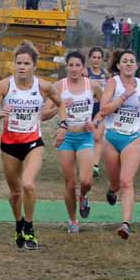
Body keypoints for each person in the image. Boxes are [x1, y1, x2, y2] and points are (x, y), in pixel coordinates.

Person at [0, 42, 62, 249]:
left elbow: (60, 102)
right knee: (16, 192)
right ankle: (19, 223)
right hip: (9, 145)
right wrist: (2, 113)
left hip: (33, 143)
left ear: (34, 66)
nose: (21, 67)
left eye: (26, 63)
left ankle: (29, 227)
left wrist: (60, 123)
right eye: (18, 62)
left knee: (28, 184)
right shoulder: (3, 86)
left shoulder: (44, 86)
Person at [96, 49, 140, 240]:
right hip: (112, 137)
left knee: (127, 182)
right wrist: (124, 96)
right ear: (118, 65)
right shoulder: (112, 83)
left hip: (133, 137)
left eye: (132, 61)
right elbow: (104, 109)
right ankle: (111, 188)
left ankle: (125, 224)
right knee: (116, 182)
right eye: (125, 61)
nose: (129, 64)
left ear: (136, 65)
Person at [55, 51, 102, 233]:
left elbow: (104, 107)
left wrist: (95, 121)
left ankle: (83, 196)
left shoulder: (93, 85)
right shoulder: (59, 86)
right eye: (71, 65)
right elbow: (44, 113)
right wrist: (60, 106)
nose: (74, 69)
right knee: (70, 183)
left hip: (84, 137)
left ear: (83, 67)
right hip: (66, 138)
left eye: (78, 65)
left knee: (86, 180)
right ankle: (73, 220)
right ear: (66, 67)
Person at [86, 47, 108, 176]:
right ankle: (85, 161)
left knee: (98, 136)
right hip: (86, 108)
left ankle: (95, 165)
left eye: (99, 57)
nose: (96, 60)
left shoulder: (106, 73)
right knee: (86, 136)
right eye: (94, 57)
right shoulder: (85, 72)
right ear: (90, 58)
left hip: (100, 108)